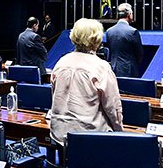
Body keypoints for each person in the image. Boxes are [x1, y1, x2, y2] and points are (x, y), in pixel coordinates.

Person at [48, 18, 123, 146]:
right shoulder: (101, 67)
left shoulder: (61, 62)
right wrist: (121, 133)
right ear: (96, 40)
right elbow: (113, 108)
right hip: (90, 139)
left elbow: (54, 96)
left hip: (58, 135)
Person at [103, 3, 143, 78]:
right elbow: (140, 53)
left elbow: (110, 50)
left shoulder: (109, 31)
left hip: (113, 68)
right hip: (130, 70)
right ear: (129, 14)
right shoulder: (133, 32)